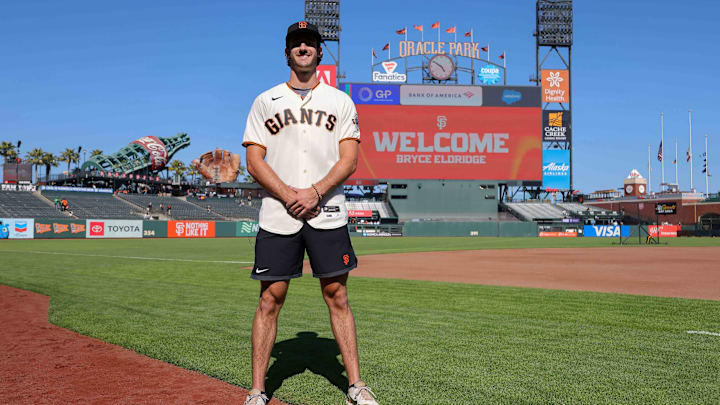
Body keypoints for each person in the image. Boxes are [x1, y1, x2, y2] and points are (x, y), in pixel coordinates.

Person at [240, 21, 377, 405]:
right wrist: (289, 195)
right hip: (278, 213)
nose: (303, 48)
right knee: (270, 298)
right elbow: (254, 160)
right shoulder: (265, 101)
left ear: (319, 52)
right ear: (286, 52)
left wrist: (314, 193)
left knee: (337, 295)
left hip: (328, 210)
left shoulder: (339, 101)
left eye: (310, 43)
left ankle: (356, 385)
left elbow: (349, 159)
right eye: (296, 43)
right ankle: (257, 390)